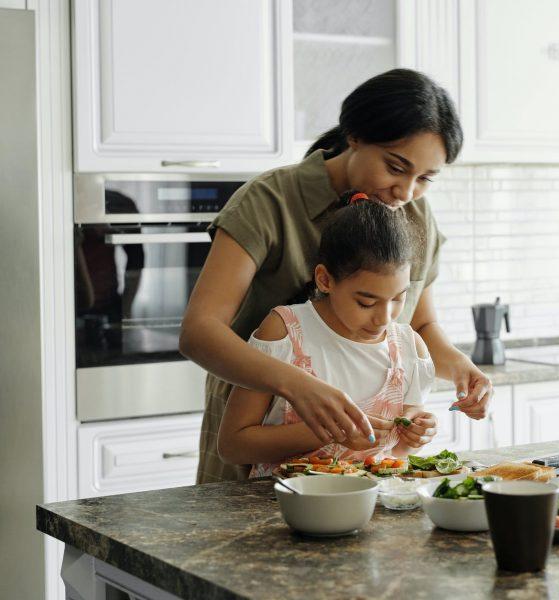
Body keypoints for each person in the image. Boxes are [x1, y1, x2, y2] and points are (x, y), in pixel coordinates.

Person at [179, 68, 493, 484]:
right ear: (355, 136)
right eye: (395, 167)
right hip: (257, 441)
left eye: (425, 179)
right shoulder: (270, 200)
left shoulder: (414, 214)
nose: (406, 191)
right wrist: (298, 386)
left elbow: (419, 324)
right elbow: (199, 331)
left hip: (360, 468)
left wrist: (461, 368)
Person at [218, 196, 438, 477]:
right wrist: (328, 432)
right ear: (325, 280)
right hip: (283, 508)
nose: (385, 318)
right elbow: (233, 446)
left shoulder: (408, 347)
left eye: (398, 298)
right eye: (366, 302)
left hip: (373, 507)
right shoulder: (285, 332)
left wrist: (416, 435)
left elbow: (398, 454)